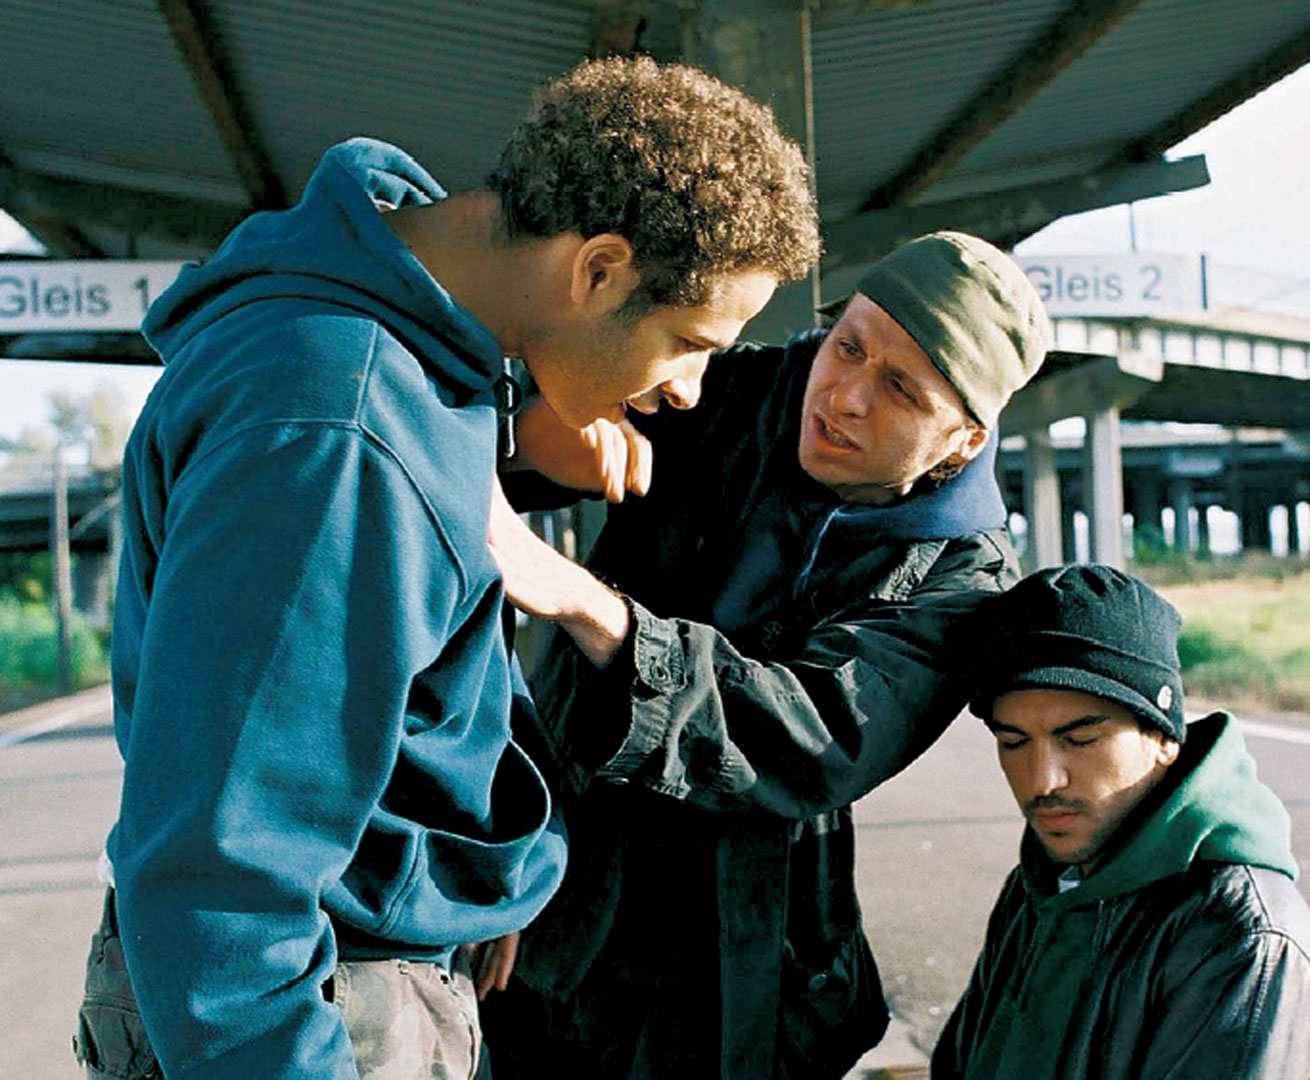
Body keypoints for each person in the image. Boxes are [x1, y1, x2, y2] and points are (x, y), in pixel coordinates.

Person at [75, 56, 817, 1080]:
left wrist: (460, 873)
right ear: (596, 270)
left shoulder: (400, 340)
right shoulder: (337, 433)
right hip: (309, 1003)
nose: (689, 390)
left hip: (359, 954)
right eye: (688, 340)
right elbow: (222, 879)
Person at [479, 231, 1052, 1079]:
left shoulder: (963, 578)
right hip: (553, 882)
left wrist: (585, 605)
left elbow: (814, 739)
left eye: (900, 388)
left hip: (740, 960)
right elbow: (510, 434)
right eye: (848, 346)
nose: (846, 397)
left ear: (964, 441)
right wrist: (536, 439)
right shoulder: (733, 387)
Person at [933, 565, 1310, 1080]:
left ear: (1163, 738)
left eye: (1080, 738)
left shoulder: (1242, 937)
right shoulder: (1040, 888)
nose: (1042, 780)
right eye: (1013, 742)